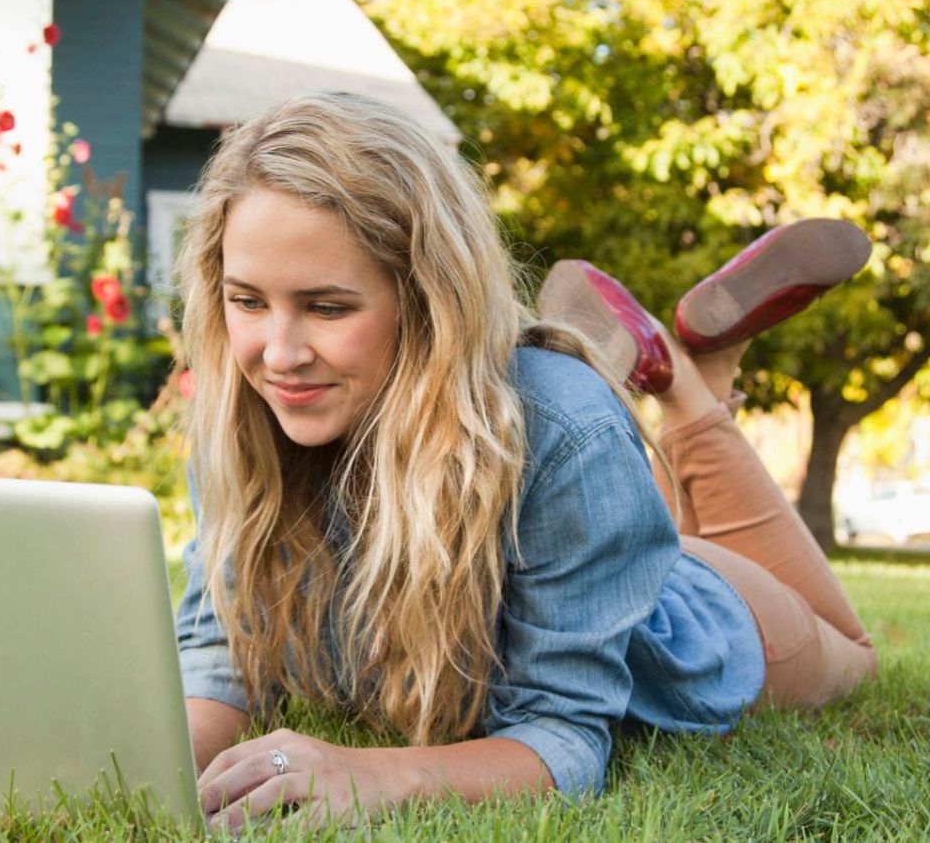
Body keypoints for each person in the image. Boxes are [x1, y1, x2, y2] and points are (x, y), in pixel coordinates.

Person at [172, 91, 877, 831]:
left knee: (854, 652)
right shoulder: (242, 411)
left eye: (327, 308)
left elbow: (566, 735)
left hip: (701, 620)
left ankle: (690, 384)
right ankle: (691, 366)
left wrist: (371, 772)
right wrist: (158, 757)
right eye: (247, 301)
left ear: (430, 299)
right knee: (602, 485)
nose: (277, 355)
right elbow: (223, 648)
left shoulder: (566, 432)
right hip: (593, 543)